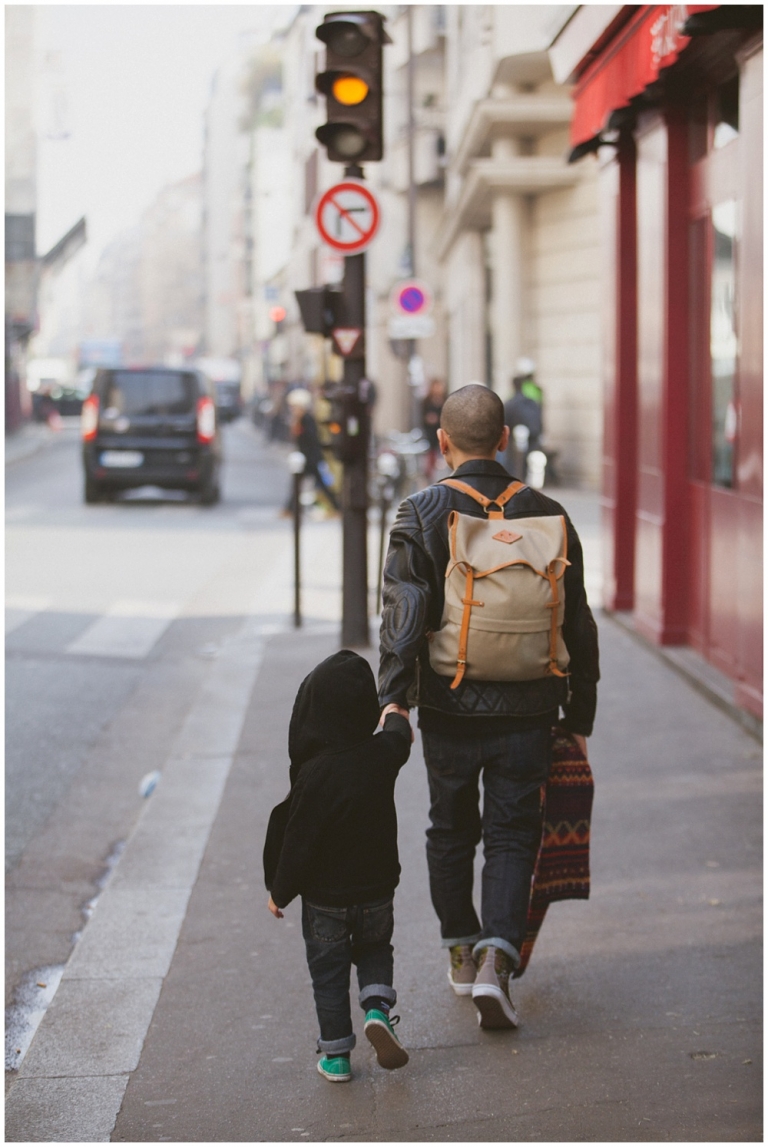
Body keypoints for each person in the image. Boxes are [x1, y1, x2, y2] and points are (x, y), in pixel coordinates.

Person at [378, 383, 599, 1029]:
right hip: (532, 706)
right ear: (505, 438)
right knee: (512, 832)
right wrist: (578, 717)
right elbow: (579, 622)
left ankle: (460, 949)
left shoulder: (420, 511)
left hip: (450, 705)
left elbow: (402, 614)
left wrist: (394, 700)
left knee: (450, 830)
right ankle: (498, 960)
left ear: (443, 442)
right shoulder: (550, 512)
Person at [264, 650, 413, 1082]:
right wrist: (393, 709)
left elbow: (298, 843)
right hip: (376, 893)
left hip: (326, 901)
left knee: (328, 975)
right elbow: (399, 732)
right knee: (374, 949)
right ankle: (377, 1011)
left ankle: (336, 1057)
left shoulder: (314, 774)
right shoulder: (381, 754)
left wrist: (279, 891)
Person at [284, 388, 339, 514]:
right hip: (305, 459)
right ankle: (290, 508)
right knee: (297, 484)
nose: (293, 410)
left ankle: (337, 507)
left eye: (294, 407)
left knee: (321, 485)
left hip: (311, 459)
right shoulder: (300, 420)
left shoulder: (307, 420)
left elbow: (311, 439)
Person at [420, 378, 446, 483]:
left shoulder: (444, 400)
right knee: (431, 456)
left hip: (441, 430)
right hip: (430, 433)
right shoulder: (426, 401)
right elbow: (422, 416)